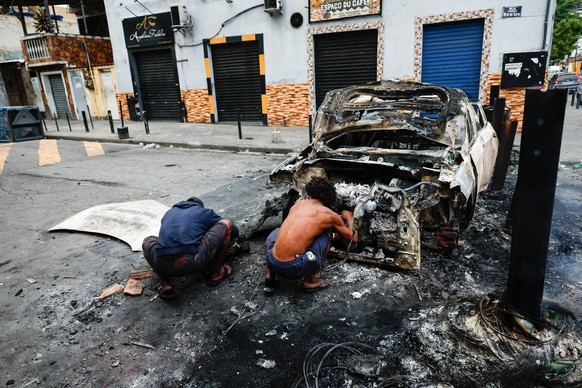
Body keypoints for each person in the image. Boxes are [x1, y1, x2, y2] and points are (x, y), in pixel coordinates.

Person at [264, 177, 358, 294]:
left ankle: (269, 274)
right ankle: (309, 281)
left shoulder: (297, 205)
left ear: (310, 192)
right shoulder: (329, 215)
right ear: (329, 198)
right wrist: (349, 217)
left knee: (278, 231)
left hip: (272, 261)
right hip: (293, 268)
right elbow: (353, 239)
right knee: (327, 234)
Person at [142, 196, 243, 299]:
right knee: (227, 224)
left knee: (147, 240)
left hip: (162, 263)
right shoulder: (203, 212)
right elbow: (234, 230)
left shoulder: (169, 213)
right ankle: (217, 273)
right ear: (199, 205)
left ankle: (165, 284)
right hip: (192, 261)